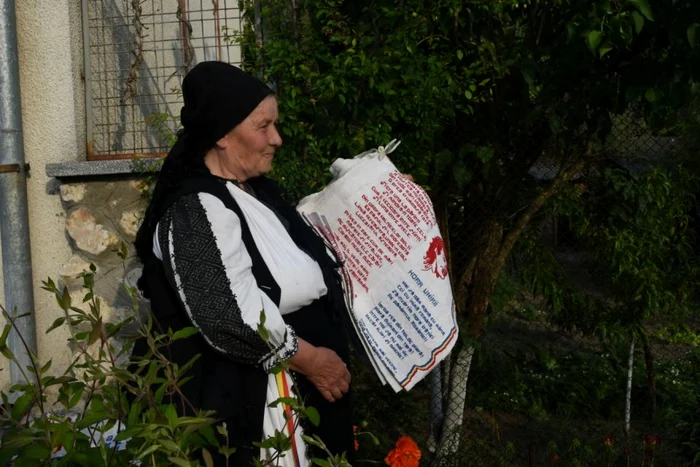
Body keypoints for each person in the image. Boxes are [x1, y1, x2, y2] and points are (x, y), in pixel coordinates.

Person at [133, 61, 355, 466]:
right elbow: (229, 315)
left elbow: (307, 243)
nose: (278, 138)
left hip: (300, 392)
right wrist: (312, 361)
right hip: (256, 403)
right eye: (263, 126)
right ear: (221, 134)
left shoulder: (255, 192)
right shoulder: (194, 209)